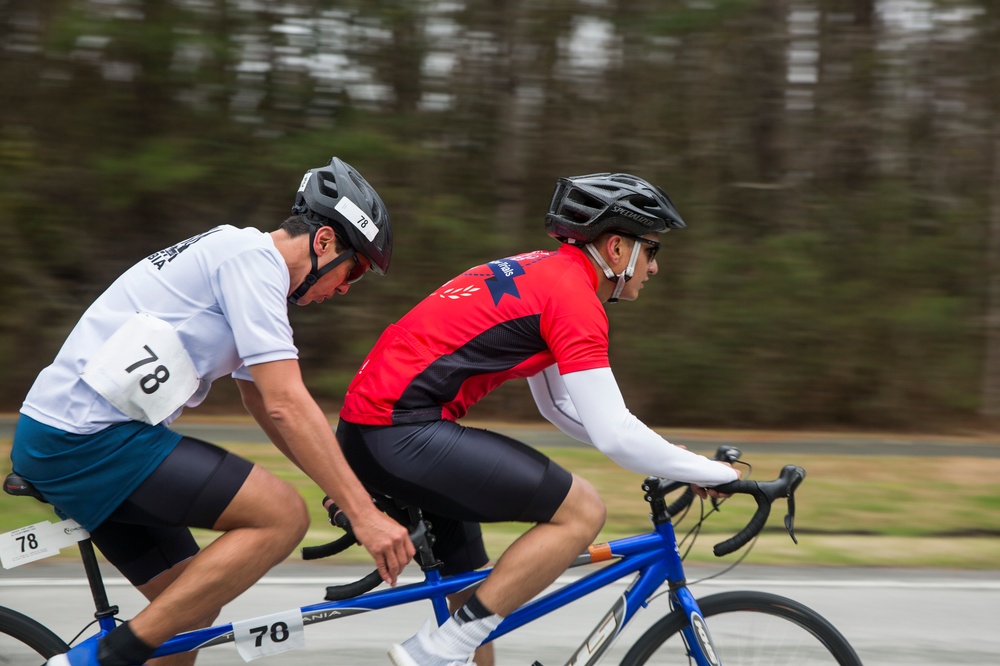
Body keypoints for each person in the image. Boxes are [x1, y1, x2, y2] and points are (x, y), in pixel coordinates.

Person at [9, 157, 415, 666]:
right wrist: (365, 514)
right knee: (282, 516)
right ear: (325, 242)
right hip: (85, 438)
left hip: (84, 437)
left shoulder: (243, 260)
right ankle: (101, 658)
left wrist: (344, 493)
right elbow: (288, 403)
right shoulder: (251, 262)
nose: (346, 287)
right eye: (354, 270)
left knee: (189, 620)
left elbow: (265, 404)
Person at [335, 171, 742, 666]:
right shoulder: (574, 300)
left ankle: (444, 649)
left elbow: (561, 407)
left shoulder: (545, 272)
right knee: (582, 512)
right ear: (617, 248)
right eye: (651, 251)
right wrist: (717, 473)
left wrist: (676, 460)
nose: (654, 268)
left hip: (376, 431)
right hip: (399, 431)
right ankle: (436, 649)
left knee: (478, 594)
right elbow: (613, 434)